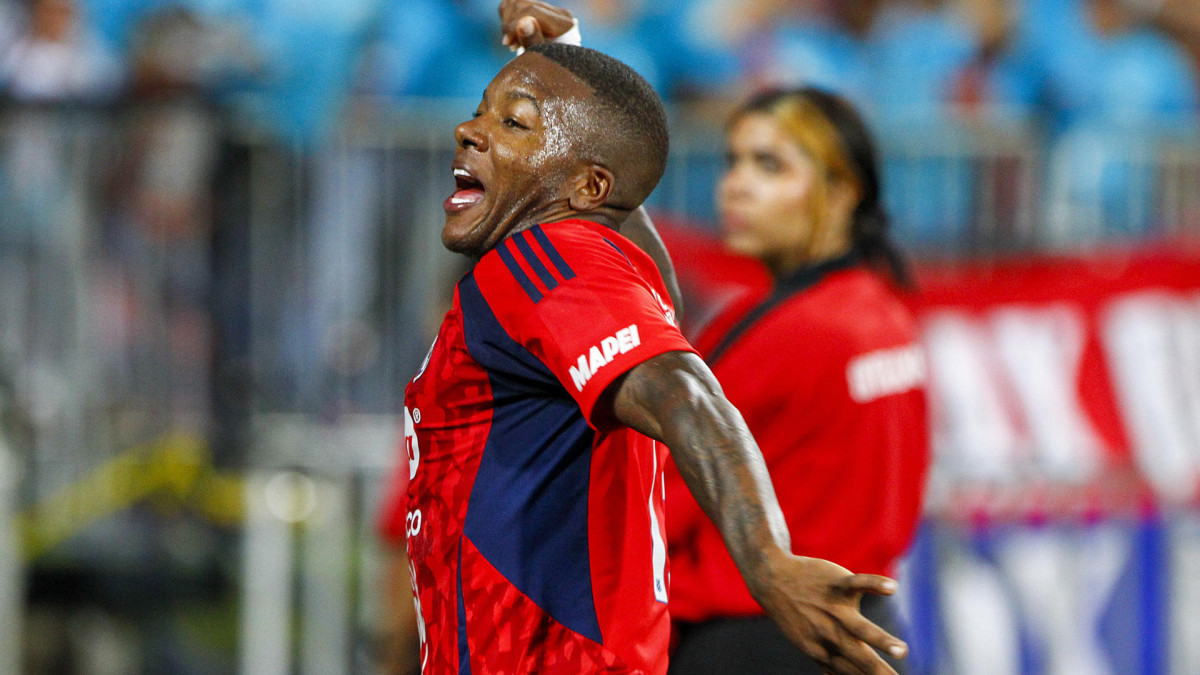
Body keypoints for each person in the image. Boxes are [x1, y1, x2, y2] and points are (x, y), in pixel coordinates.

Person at [392, 5, 911, 672]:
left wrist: (767, 562)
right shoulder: (591, 267)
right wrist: (571, 64)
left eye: (513, 123)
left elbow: (688, 395)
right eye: (484, 111)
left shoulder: (541, 263)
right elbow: (650, 289)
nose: (468, 131)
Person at [660, 89, 930, 674]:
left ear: (841, 192)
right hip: (866, 636)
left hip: (752, 641)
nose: (736, 185)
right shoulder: (887, 314)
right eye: (732, 161)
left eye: (769, 165)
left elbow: (661, 495)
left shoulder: (789, 330)